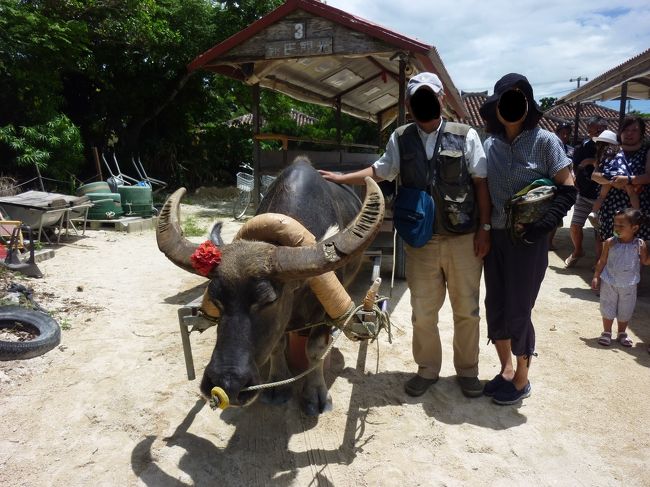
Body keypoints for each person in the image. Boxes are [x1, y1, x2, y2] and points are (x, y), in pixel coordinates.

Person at [319, 72, 491, 399]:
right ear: (409, 105)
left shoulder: (465, 135)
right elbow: (379, 171)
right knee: (423, 310)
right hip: (420, 239)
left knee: (466, 309)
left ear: (441, 100)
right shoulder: (401, 137)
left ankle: (468, 372)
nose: (423, 104)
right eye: (417, 99)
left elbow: (481, 183)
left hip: (462, 237)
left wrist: (485, 229)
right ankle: (427, 370)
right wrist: (341, 178)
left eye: (429, 97)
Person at [478, 73, 576, 405]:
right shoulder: (489, 146)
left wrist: (544, 225)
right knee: (497, 305)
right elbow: (484, 194)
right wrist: (486, 230)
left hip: (528, 241)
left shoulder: (546, 141)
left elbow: (569, 186)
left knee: (520, 308)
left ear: (528, 106)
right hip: (498, 238)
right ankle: (505, 368)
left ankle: (522, 379)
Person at [592, 208, 647, 348]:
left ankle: (622, 332)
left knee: (626, 309)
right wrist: (596, 276)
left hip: (629, 284)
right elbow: (602, 261)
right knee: (607, 306)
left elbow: (645, 261)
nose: (616, 228)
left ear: (634, 228)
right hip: (609, 281)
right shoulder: (610, 242)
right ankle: (606, 332)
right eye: (615, 225)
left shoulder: (640, 245)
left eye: (621, 226)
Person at [591, 116, 650, 242]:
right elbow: (595, 175)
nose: (629, 133)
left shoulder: (647, 152)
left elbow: (648, 177)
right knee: (610, 245)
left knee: (637, 247)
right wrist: (613, 180)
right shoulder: (611, 150)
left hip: (636, 210)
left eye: (634, 130)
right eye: (626, 130)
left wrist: (627, 180)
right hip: (610, 208)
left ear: (641, 133)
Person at [564, 116, 608, 268]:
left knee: (599, 231)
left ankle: (599, 262)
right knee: (575, 226)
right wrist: (574, 177)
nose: (591, 132)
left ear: (603, 129)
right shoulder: (584, 144)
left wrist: (591, 161)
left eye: (594, 129)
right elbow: (575, 164)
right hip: (583, 192)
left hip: (601, 195)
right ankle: (578, 251)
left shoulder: (610, 146)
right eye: (589, 129)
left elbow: (610, 166)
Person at [589, 129, 638, 222]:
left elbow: (596, 168)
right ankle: (637, 212)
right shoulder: (619, 150)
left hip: (607, 174)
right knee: (631, 193)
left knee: (601, 196)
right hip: (621, 174)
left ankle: (593, 212)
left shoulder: (602, 152)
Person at [549, 121, 574, 250]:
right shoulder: (549, 147)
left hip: (564, 185)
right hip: (550, 184)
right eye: (562, 133)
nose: (565, 136)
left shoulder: (571, 151)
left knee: (557, 215)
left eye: (567, 134)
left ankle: (550, 241)